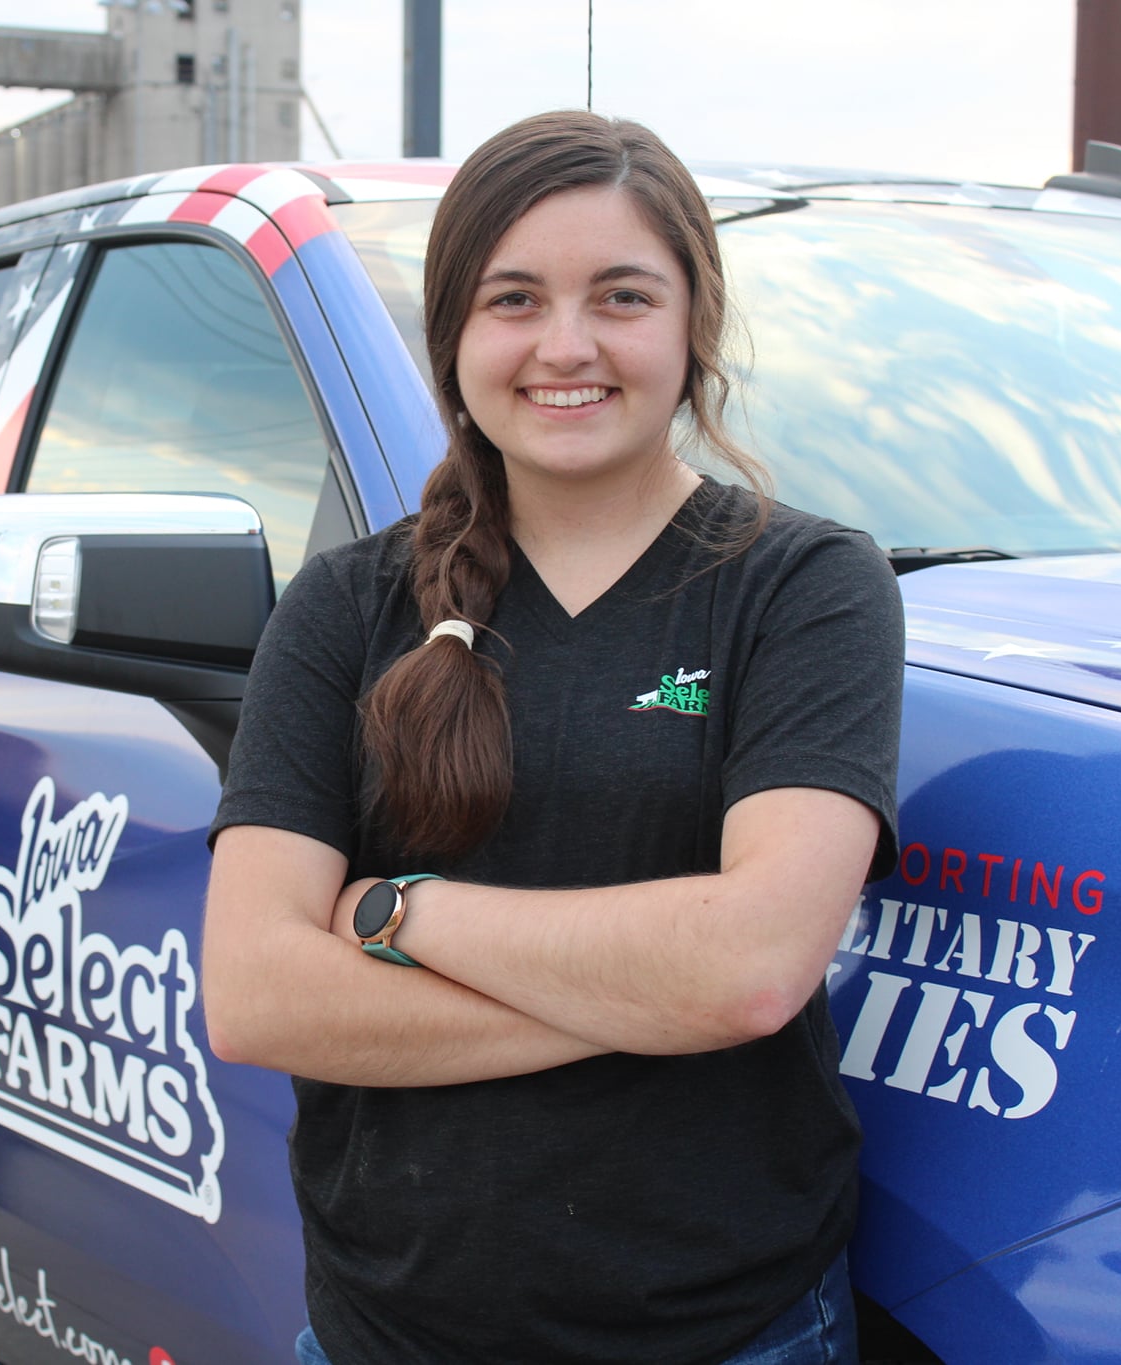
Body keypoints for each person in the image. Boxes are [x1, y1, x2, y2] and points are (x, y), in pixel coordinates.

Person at [201, 109, 905, 1365]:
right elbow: (256, 997)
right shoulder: (346, 608)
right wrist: (657, 994)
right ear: (453, 338)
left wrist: (394, 915)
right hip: (385, 1335)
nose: (565, 345)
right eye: (512, 299)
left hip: (729, 1336)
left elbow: (749, 970)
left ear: (692, 324)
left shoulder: (806, 590)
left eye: (621, 296)